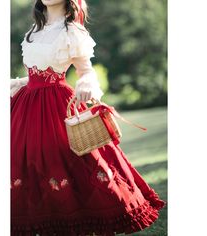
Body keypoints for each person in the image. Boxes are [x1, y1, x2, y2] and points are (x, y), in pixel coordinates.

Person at [10, 0, 166, 235]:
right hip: (27, 104)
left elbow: (86, 71)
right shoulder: (34, 30)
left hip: (56, 105)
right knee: (23, 160)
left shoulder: (71, 30)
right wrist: (20, 84)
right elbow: (34, 72)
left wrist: (85, 83)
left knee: (70, 160)